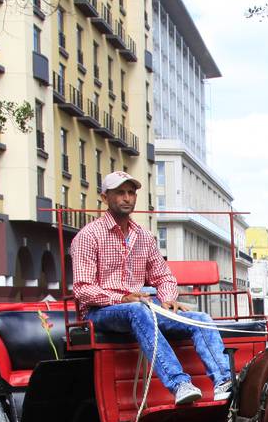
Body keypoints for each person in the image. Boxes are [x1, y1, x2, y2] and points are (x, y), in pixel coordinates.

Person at [70, 171, 233, 405]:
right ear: (105, 198)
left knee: (200, 318)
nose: (127, 198)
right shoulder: (88, 236)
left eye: (131, 193)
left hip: (144, 306)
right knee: (138, 309)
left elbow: (164, 276)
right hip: (101, 312)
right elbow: (83, 289)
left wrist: (167, 299)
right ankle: (179, 384)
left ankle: (224, 381)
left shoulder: (144, 237)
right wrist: (123, 298)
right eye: (120, 193)